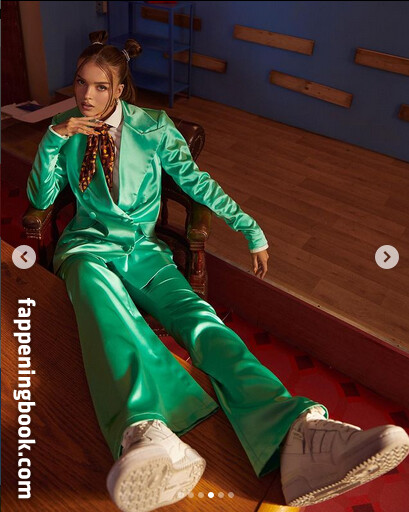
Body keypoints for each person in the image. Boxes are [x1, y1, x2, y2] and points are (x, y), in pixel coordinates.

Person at [26, 30, 409, 512]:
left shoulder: (154, 127)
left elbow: (197, 184)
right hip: (87, 248)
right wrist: (54, 139)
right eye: (81, 82)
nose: (86, 95)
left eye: (100, 86)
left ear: (119, 90)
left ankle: (298, 432)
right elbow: (41, 197)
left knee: (201, 320)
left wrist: (250, 228)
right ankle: (143, 429)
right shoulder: (63, 126)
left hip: (143, 252)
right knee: (105, 312)